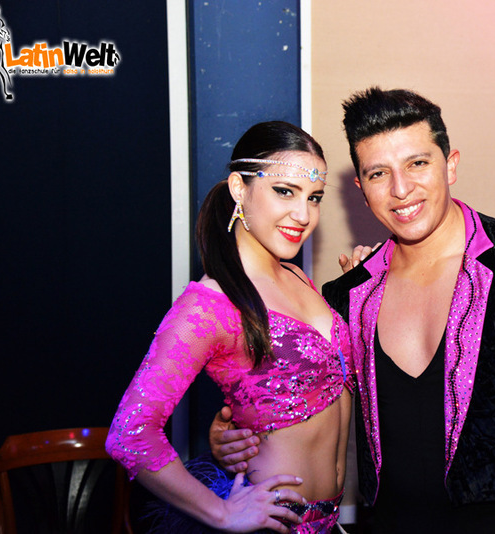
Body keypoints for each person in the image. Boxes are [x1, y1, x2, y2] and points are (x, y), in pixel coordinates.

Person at [211, 89, 495, 533]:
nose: (401, 189)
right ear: (361, 190)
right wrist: (234, 433)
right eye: (379, 173)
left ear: (451, 165)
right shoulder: (346, 297)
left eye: (417, 163)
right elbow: (306, 401)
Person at [106, 121, 354, 534]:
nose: (303, 215)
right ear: (239, 188)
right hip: (274, 525)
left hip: (331, 522)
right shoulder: (210, 305)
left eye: (314, 197)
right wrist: (222, 513)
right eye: (285, 191)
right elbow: (130, 433)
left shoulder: (298, 278)